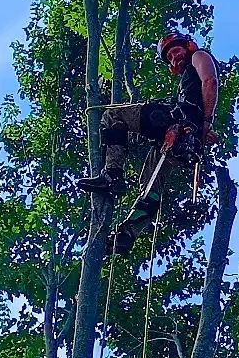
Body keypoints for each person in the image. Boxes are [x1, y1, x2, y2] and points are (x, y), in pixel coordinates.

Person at [77, 32, 219, 255]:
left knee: (113, 116)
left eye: (176, 51)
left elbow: (210, 82)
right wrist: (198, 130)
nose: (174, 57)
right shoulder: (185, 81)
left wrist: (205, 124)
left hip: (177, 121)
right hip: (184, 137)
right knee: (150, 185)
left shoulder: (199, 56)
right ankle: (127, 235)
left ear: (188, 46)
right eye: (170, 56)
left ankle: (111, 174)